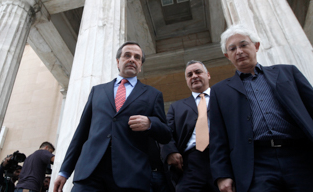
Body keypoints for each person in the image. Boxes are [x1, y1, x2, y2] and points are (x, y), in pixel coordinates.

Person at [209, 24, 313, 192]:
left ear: (256, 46)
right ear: (228, 56)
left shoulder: (287, 73)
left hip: (302, 156)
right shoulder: (220, 91)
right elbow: (218, 136)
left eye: (243, 45)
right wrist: (222, 174)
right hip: (257, 164)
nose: (239, 51)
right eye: (232, 49)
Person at [53, 41, 172, 192]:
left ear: (140, 66)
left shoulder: (153, 95)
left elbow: (166, 134)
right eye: (127, 55)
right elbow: (81, 134)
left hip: (130, 175)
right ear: (118, 62)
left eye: (137, 57)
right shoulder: (97, 91)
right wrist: (64, 171)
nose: (132, 59)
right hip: (90, 173)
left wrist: (150, 123)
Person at [161, 60, 219, 192]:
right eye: (189, 74)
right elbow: (166, 133)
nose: (194, 76)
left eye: (198, 72)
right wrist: (171, 152)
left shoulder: (222, 98)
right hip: (191, 162)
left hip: (220, 157)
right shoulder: (176, 107)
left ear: (208, 75)